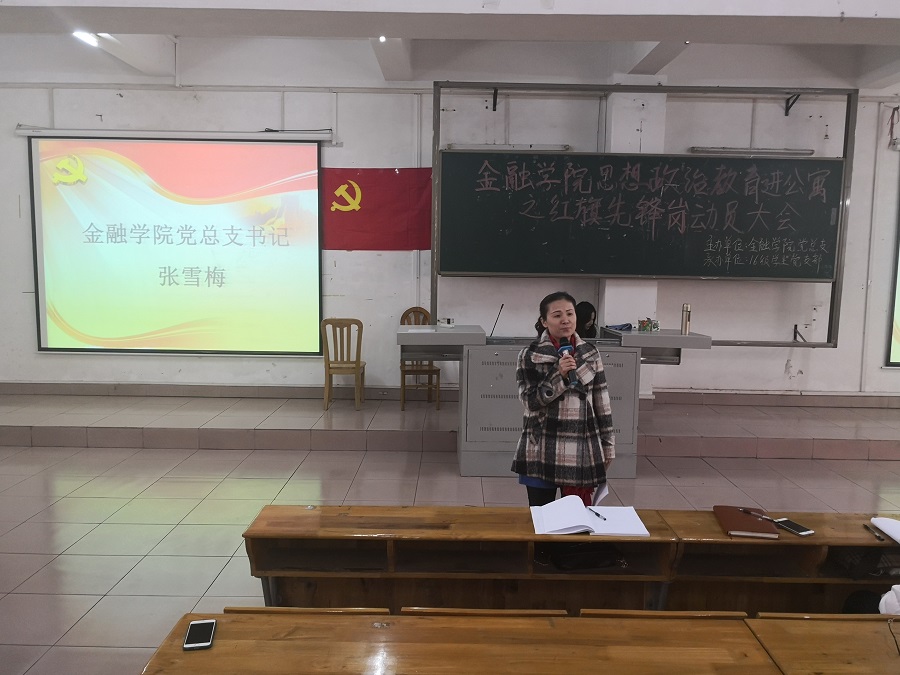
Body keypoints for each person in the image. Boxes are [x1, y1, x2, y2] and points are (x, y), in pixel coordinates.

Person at [511, 291, 615, 507]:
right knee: (543, 518)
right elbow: (530, 401)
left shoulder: (590, 353)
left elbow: (602, 403)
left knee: (576, 520)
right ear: (544, 321)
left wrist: (608, 445)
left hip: (581, 449)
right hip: (541, 447)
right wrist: (559, 375)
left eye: (570, 313)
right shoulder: (529, 355)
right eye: (557, 315)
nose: (565, 320)